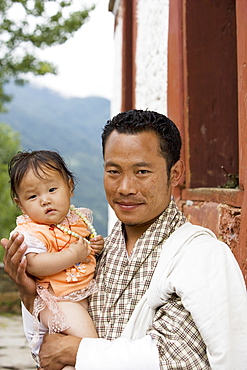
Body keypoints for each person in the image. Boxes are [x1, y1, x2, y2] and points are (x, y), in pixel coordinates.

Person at [2, 110, 247, 370]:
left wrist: (77, 351)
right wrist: (30, 295)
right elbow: (49, 353)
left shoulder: (200, 255)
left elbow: (182, 359)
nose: (125, 188)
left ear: (175, 173)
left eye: (141, 171)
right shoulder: (95, 253)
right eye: (114, 171)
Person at [7, 150, 104, 369]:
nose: (45, 200)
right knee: (90, 343)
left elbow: (85, 245)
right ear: (20, 203)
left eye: (52, 189)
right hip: (57, 301)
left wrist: (94, 247)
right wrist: (72, 255)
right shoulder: (30, 232)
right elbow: (34, 264)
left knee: (71, 362)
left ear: (69, 187)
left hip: (79, 295)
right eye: (32, 196)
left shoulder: (76, 218)